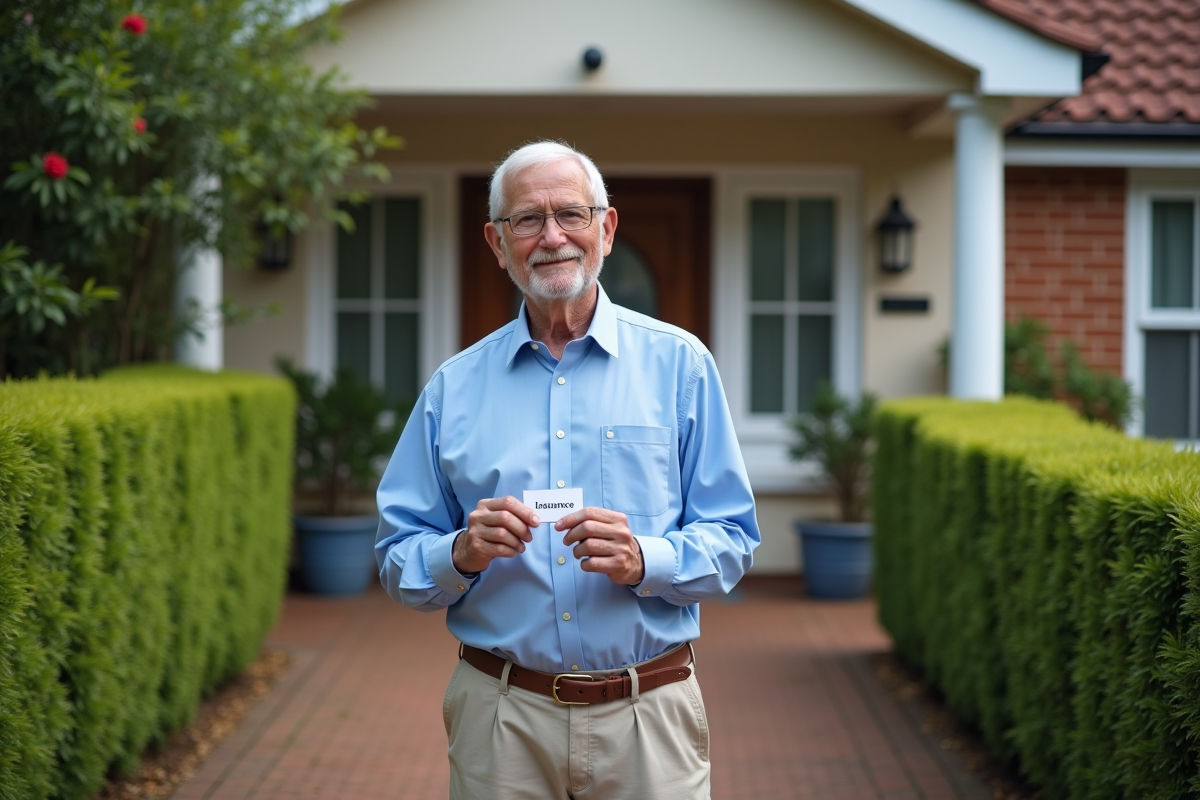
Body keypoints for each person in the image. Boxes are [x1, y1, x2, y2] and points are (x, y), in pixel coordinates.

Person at [375, 141, 760, 800]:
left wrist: (649, 558)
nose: (551, 236)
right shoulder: (453, 388)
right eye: (527, 220)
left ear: (605, 230)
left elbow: (733, 540)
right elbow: (395, 558)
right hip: (503, 718)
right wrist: (460, 552)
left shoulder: (681, 366)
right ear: (498, 244)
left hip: (650, 714)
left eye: (570, 215)